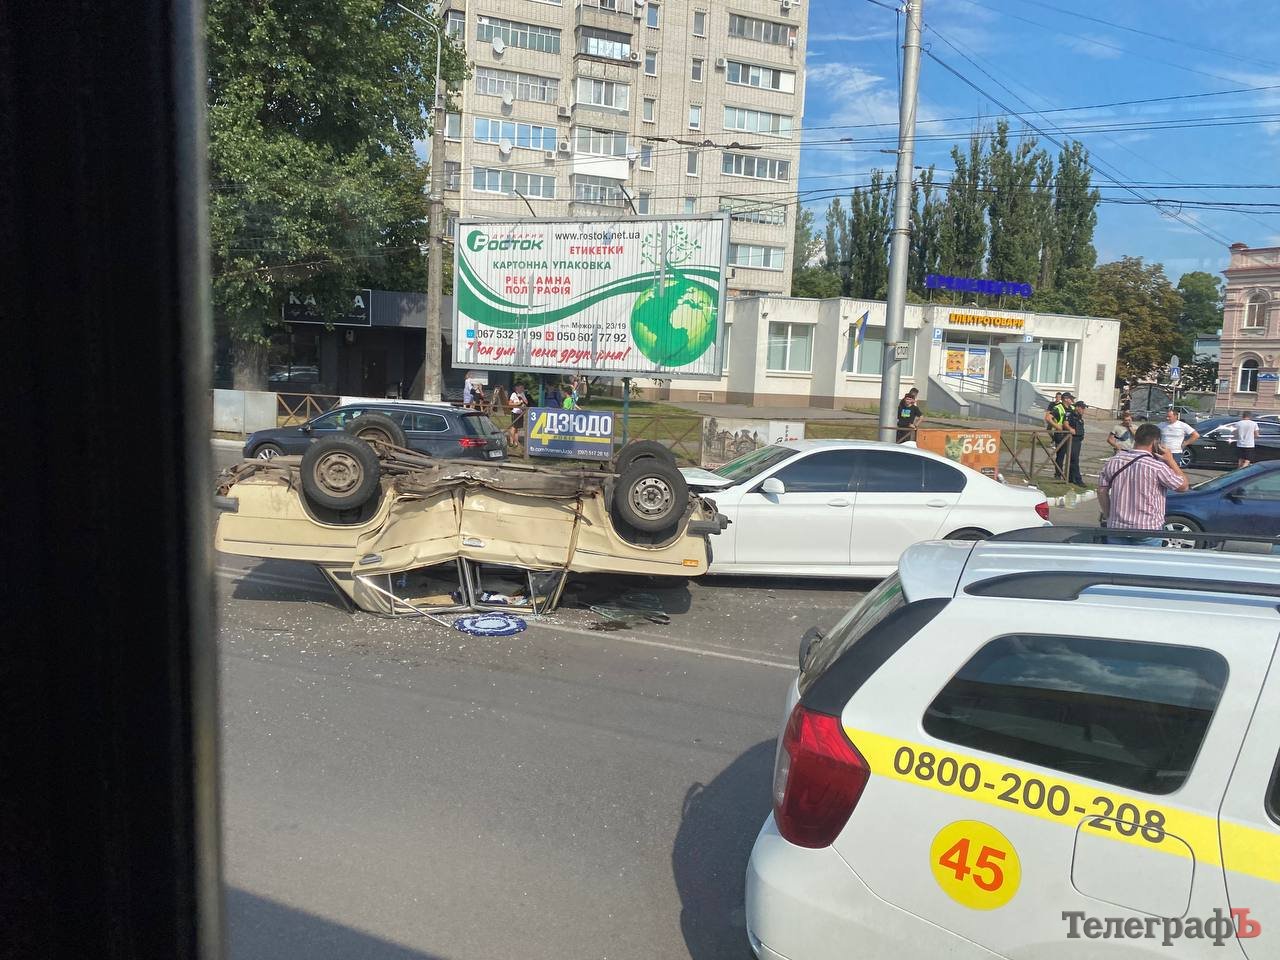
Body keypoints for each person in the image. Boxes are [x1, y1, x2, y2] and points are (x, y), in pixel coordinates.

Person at [1097, 422, 1189, 544]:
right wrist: (1171, 461)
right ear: (1155, 442)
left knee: (1117, 557)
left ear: (1136, 439)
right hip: (1147, 529)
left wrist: (1109, 516)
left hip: (1117, 527)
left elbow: (1101, 491)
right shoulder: (1157, 467)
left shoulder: (1113, 461)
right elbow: (1183, 486)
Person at [1044, 392, 1070, 480]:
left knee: (1070, 455)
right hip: (1060, 433)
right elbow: (1048, 417)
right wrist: (1057, 426)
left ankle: (1068, 475)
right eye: (1070, 398)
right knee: (1060, 455)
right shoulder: (1057, 407)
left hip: (1068, 434)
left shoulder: (1071, 408)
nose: (1071, 400)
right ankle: (1058, 474)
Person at [1065, 399, 1088, 486]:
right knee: (1074, 460)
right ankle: (1078, 480)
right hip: (1072, 439)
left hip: (1078, 440)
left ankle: (1070, 478)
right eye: (1082, 408)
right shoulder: (1070, 414)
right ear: (1077, 407)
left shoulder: (1079, 417)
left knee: (1073, 460)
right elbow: (1065, 423)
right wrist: (1070, 429)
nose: (1083, 410)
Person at [507, 384, 528, 450]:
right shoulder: (513, 394)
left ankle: (516, 442)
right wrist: (517, 404)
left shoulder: (522, 394)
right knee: (513, 427)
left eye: (523, 388)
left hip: (520, 413)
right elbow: (509, 403)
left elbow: (526, 402)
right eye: (521, 387)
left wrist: (522, 399)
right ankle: (511, 442)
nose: (522, 389)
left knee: (517, 429)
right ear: (517, 388)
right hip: (515, 412)